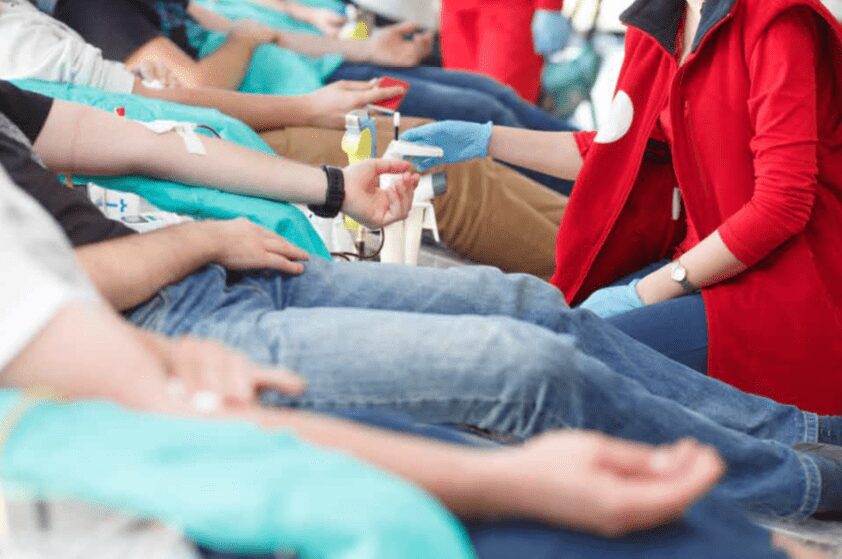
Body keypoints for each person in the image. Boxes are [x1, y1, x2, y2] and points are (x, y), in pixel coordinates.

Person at [5, 79, 842, 521]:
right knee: (528, 363)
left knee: (523, 303)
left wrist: (335, 186)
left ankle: (809, 436)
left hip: (216, 268)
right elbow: (53, 307)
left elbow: (115, 137)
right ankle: (804, 484)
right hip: (159, 319)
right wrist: (200, 237)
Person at [402, 0, 842, 414]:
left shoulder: (776, 23)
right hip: (712, 263)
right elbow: (619, 152)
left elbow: (782, 205)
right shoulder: (664, 19)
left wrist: (656, 288)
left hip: (788, 287)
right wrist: (485, 140)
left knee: (562, 363)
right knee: (549, 336)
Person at [0, 0, 568, 276]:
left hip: (272, 111)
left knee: (474, 114)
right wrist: (304, 101)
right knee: (439, 157)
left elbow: (260, 32)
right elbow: (167, 97)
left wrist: (364, 50)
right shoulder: (69, 14)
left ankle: (608, 234)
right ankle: (596, 262)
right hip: (242, 135)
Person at [43, 0, 571, 133]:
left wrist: (362, 41)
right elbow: (272, 23)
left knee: (490, 96)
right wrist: (345, 33)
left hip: (351, 41)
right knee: (484, 103)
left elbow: (330, 21)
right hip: (325, 63)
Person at [440, 0, 570, 103]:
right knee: (461, 104)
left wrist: (549, 5)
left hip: (509, 8)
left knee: (502, 103)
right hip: (455, 9)